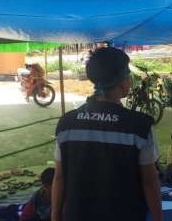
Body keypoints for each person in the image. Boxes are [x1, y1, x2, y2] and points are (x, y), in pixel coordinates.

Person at [52, 47, 162, 221]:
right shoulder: (139, 126)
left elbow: (59, 177)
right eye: (127, 74)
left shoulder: (66, 124)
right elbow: (149, 181)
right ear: (122, 81)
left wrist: (55, 217)